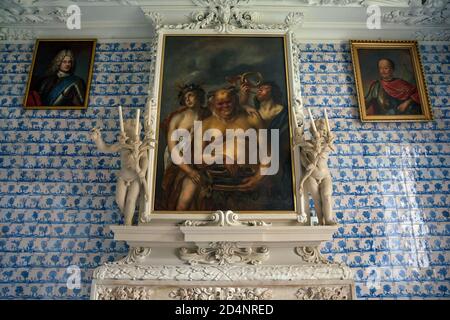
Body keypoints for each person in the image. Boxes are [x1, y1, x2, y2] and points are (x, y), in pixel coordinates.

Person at [160, 84, 210, 210]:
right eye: (185, 97)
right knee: (189, 187)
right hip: (181, 165)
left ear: (199, 96)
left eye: (191, 95)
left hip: (206, 162)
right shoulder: (177, 119)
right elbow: (173, 150)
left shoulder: (209, 115)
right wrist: (189, 171)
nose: (187, 99)